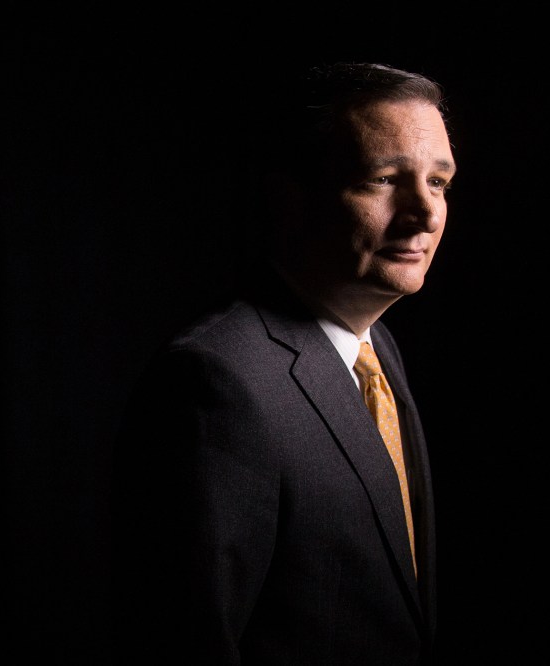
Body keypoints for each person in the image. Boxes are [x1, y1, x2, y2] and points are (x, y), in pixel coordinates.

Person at [110, 61, 457, 665]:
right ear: (290, 199)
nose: (425, 214)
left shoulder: (379, 350)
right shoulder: (217, 381)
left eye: (438, 183)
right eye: (383, 179)